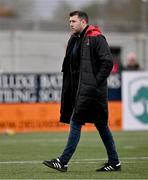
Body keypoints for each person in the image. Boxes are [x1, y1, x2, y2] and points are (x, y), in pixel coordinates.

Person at [43, 11, 121, 172]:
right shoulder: (74, 39)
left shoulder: (96, 38)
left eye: (73, 21)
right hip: (80, 90)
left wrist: (93, 83)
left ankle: (63, 161)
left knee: (76, 121)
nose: (70, 24)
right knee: (101, 125)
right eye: (69, 21)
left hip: (91, 91)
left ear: (83, 22)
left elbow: (107, 63)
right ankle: (114, 162)